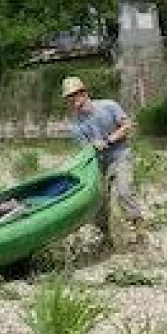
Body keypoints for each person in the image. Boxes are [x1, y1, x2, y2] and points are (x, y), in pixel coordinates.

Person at [61, 75, 144, 245]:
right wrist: (93, 146)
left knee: (124, 191)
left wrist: (109, 140)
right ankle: (105, 236)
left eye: (75, 94)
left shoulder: (109, 106)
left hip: (120, 155)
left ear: (84, 93)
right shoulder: (76, 126)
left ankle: (139, 231)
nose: (73, 99)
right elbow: (86, 149)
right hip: (99, 162)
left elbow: (127, 126)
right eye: (69, 97)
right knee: (97, 200)